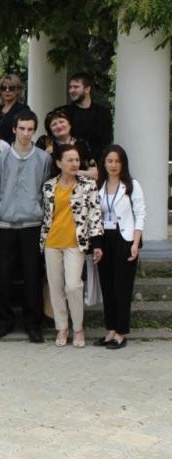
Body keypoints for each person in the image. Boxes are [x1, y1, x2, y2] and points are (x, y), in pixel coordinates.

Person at [0, 111, 52, 342]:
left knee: (32, 275)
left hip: (32, 223)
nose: (26, 133)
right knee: (3, 276)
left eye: (30, 129)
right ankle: (4, 321)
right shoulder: (2, 158)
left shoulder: (43, 159)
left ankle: (33, 324)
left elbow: (44, 189)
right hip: (6, 224)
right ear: (14, 130)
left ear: (34, 131)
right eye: (22, 129)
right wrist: (4, 208)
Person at [40, 144, 104, 348]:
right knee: (55, 286)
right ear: (59, 163)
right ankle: (62, 327)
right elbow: (46, 215)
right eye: (70, 160)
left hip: (75, 243)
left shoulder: (88, 185)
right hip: (52, 242)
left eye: (76, 160)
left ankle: (78, 328)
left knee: (74, 285)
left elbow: (95, 215)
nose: (74, 163)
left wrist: (97, 243)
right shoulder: (49, 186)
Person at [95, 144, 145, 350]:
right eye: (110, 161)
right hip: (104, 239)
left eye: (117, 161)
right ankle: (110, 330)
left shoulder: (132, 185)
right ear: (104, 163)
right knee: (107, 287)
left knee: (122, 288)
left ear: (123, 163)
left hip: (124, 238)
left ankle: (121, 333)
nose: (113, 165)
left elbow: (140, 214)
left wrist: (136, 243)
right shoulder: (99, 184)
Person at [54, 72, 113, 160]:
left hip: (96, 163)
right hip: (70, 162)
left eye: (76, 87)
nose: (71, 90)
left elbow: (106, 143)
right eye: (70, 87)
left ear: (87, 89)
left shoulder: (103, 113)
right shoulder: (63, 113)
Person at [36, 110, 97, 179]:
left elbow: (95, 174)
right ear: (50, 130)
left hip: (79, 184)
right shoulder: (44, 143)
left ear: (70, 125)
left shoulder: (81, 144)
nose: (59, 126)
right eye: (54, 124)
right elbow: (35, 169)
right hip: (51, 185)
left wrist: (75, 172)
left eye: (61, 122)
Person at [0, 74, 30, 144]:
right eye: (3, 88)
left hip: (13, 147)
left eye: (11, 88)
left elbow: (23, 132)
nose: (7, 90)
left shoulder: (23, 110)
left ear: (18, 90)